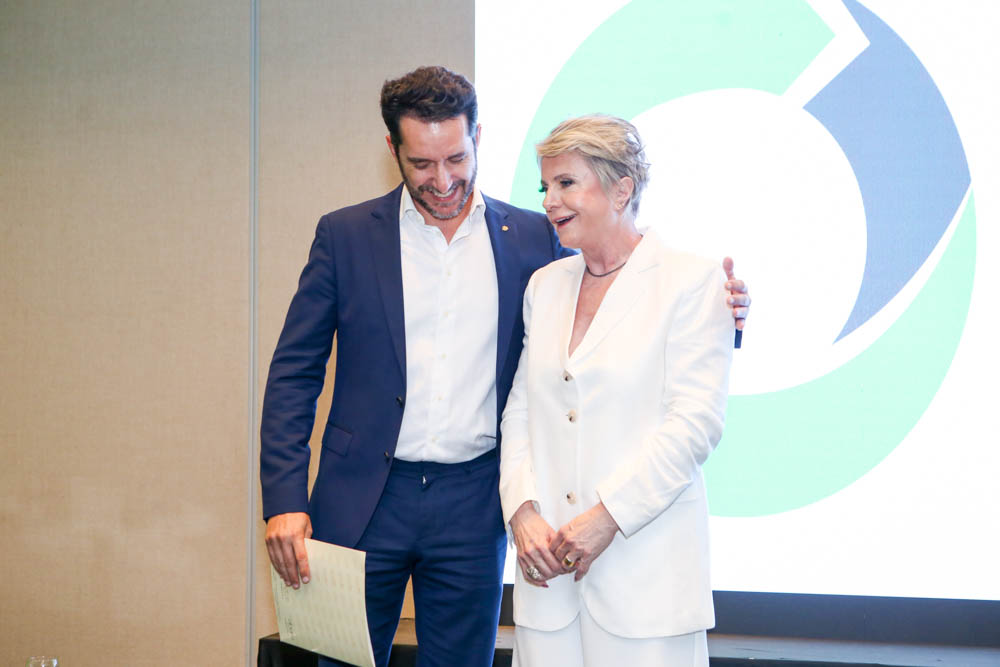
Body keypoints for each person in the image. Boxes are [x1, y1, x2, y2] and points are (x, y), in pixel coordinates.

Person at [260, 68, 750, 667]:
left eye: (456, 158)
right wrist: (284, 500)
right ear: (392, 149)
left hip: (473, 506)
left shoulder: (534, 240)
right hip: (361, 501)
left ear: (478, 138)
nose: (443, 180)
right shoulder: (345, 236)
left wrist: (728, 311)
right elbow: (294, 372)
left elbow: (625, 309)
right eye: (421, 164)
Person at [500, 114, 733, 666]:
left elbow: (694, 425)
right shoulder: (544, 286)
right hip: (548, 581)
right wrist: (522, 512)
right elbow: (520, 410)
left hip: (647, 580)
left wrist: (607, 517)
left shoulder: (692, 281)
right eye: (545, 186)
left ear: (621, 189)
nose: (550, 201)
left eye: (566, 183)